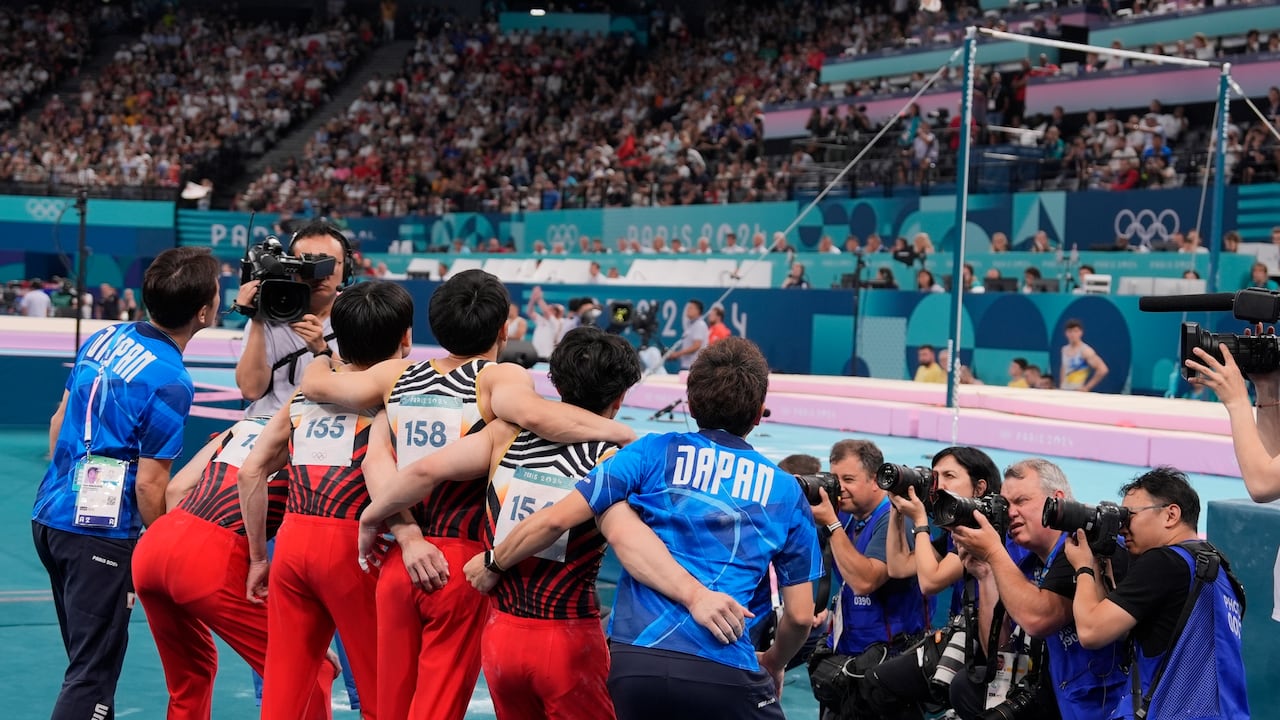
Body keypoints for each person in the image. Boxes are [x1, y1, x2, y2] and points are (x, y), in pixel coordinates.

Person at [399, 337, 821, 719]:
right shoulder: (784, 491)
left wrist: (410, 532)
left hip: (577, 651)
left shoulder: (639, 453)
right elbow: (801, 615)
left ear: (690, 402)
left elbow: (546, 517)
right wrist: (774, 661)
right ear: (760, 410)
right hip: (693, 660)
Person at [297, 271, 635, 720]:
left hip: (401, 558)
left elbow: (319, 390)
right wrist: (623, 434)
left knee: (388, 708)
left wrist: (320, 353)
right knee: (436, 708)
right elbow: (543, 419)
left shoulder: (397, 374)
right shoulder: (498, 377)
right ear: (503, 330)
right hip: (461, 566)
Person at [32, 246, 220, 720]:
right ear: (203, 311)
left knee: (90, 668)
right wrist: (157, 551)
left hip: (50, 517)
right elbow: (150, 487)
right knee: (91, 679)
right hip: (100, 535)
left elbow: (59, 421)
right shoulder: (170, 379)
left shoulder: (104, 337)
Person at [237, 281, 416, 720]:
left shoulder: (304, 397)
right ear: (406, 339)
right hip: (357, 548)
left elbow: (250, 471)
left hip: (294, 545)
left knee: (285, 686)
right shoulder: (398, 396)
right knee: (381, 687)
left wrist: (260, 557)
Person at [132, 419, 337, 720]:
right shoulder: (317, 447)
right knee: (312, 669)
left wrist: (180, 546)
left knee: (192, 674)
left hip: (154, 545)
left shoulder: (245, 425)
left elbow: (176, 489)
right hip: (211, 556)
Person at [950, 459, 1128, 720]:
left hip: (1104, 705)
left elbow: (1039, 619)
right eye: (1006, 505)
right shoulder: (1027, 564)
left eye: (1021, 501)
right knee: (967, 688)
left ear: (1057, 500)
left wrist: (994, 552)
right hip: (1060, 694)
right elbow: (1000, 656)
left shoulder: (1085, 546)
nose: (1010, 512)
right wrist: (986, 575)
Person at [1065, 467, 1248, 720]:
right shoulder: (1219, 572)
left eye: (1129, 516)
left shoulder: (1164, 561)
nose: (1122, 528)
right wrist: (1098, 565)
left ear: (1170, 514)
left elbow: (1091, 631)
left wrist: (1083, 567)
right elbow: (1122, 630)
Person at [871, 447, 1016, 716]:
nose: (940, 484)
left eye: (950, 475)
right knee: (879, 684)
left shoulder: (978, 530)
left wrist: (919, 520)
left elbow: (930, 581)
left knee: (880, 683)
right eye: (936, 476)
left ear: (979, 487)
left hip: (983, 643)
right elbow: (899, 565)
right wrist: (896, 511)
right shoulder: (954, 527)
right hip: (964, 634)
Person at [809, 439, 929, 720]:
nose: (839, 488)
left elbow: (865, 581)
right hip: (848, 657)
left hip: (888, 668)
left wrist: (832, 524)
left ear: (876, 481)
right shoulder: (848, 518)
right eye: (835, 478)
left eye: (848, 479)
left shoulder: (895, 519)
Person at [234, 221, 349, 417]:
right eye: (307, 264)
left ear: (347, 268)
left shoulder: (355, 315)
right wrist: (257, 319)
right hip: (270, 423)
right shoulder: (271, 315)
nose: (318, 275)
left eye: (327, 264)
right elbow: (251, 390)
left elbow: (362, 385)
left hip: (331, 426)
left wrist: (323, 351)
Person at [1060, 319, 1108, 392]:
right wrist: (1061, 386)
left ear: (1081, 332)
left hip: (1077, 391)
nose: (1073, 334)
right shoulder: (1064, 349)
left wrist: (1087, 387)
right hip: (1065, 390)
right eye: (1070, 331)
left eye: (1075, 331)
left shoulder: (1085, 351)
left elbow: (1103, 369)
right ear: (1066, 333)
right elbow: (1064, 368)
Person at [668, 299, 709, 371]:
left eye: (691, 308)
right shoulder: (690, 325)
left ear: (698, 311)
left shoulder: (699, 325)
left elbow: (696, 345)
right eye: (688, 308)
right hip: (687, 365)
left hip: (694, 366)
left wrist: (677, 354)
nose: (687, 310)